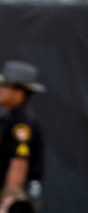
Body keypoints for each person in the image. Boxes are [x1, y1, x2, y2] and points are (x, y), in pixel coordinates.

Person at [0, 61, 45, 202]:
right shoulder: (8, 117)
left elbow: (19, 164)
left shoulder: (21, 123)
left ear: (19, 91)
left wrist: (7, 203)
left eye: (4, 85)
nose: (0, 89)